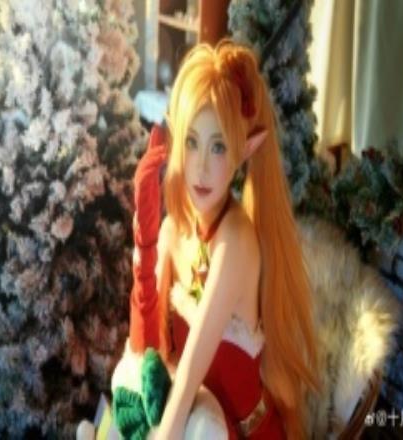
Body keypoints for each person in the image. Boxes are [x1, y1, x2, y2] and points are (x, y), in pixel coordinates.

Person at [128, 38, 321, 439]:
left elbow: (190, 374)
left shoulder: (236, 241)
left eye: (218, 147)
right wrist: (145, 246)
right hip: (195, 426)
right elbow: (148, 351)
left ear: (245, 150)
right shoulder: (175, 228)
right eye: (191, 141)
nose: (200, 167)